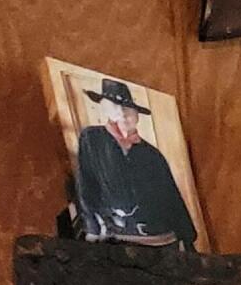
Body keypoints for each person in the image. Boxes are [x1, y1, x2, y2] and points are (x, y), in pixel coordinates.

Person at [74, 78, 197, 248]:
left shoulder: (151, 154)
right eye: (115, 109)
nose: (123, 115)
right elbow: (85, 183)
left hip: (161, 237)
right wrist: (92, 228)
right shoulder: (92, 139)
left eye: (128, 110)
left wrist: (187, 237)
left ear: (137, 116)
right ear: (106, 110)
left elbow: (170, 195)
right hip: (116, 237)